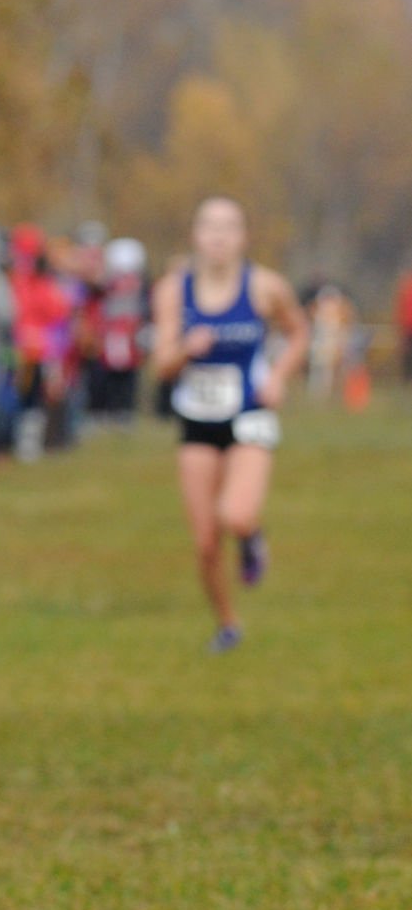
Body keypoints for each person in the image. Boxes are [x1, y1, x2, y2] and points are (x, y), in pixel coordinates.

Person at [152, 196, 308, 653]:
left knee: (234, 514)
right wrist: (184, 349)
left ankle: (251, 535)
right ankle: (227, 623)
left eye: (229, 227)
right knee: (204, 543)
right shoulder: (172, 290)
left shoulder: (264, 287)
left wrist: (278, 377)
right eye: (209, 226)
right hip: (198, 419)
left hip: (250, 412)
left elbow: (299, 332)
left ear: (243, 237)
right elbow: (161, 365)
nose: (218, 236)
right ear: (195, 235)